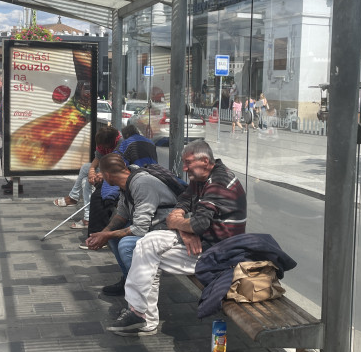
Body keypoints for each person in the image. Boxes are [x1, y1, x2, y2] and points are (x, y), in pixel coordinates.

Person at [106, 140, 246, 336]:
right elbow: (184, 199)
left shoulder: (218, 183)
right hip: (203, 243)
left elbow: (199, 224)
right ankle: (140, 313)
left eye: (188, 163)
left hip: (218, 253)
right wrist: (181, 220)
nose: (184, 168)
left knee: (146, 253)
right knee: (147, 245)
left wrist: (177, 222)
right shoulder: (203, 176)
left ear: (205, 161)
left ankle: (142, 316)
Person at [85, 153, 178, 297]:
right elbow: (122, 214)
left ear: (108, 175)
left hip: (169, 229)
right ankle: (128, 281)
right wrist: (103, 233)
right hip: (154, 226)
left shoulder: (141, 184)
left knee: (126, 245)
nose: (100, 177)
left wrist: (107, 235)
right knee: (115, 237)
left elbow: (140, 229)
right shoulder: (127, 181)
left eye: (101, 174)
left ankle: (141, 295)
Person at [53, 126, 121, 229]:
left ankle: (86, 217)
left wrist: (103, 173)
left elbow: (119, 164)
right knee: (86, 174)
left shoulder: (121, 143)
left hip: (117, 172)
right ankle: (75, 200)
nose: (103, 148)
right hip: (106, 169)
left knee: (86, 181)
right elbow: (98, 158)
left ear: (111, 142)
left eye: (105, 146)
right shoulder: (103, 142)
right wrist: (92, 170)